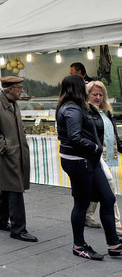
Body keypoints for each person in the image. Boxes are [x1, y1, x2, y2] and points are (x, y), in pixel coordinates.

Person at [56, 74, 122, 260]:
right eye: (83, 84)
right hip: (79, 161)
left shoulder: (78, 107)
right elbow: (75, 137)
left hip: (88, 160)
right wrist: (95, 147)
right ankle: (79, 245)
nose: (87, 86)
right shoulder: (72, 109)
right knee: (82, 204)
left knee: (108, 199)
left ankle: (114, 244)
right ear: (76, 87)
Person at [0, 76, 36, 242]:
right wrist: (4, 148)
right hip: (6, 154)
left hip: (15, 152)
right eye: (19, 87)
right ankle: (18, 228)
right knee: (15, 189)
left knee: (8, 187)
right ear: (10, 89)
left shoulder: (13, 102)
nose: (21, 90)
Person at [84, 81, 122, 234]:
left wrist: (119, 146)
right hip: (97, 155)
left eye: (101, 94)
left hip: (108, 154)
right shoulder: (86, 112)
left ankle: (87, 215)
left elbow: (113, 133)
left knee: (98, 187)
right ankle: (116, 222)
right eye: (95, 94)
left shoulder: (105, 111)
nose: (98, 97)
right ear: (87, 95)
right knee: (110, 186)